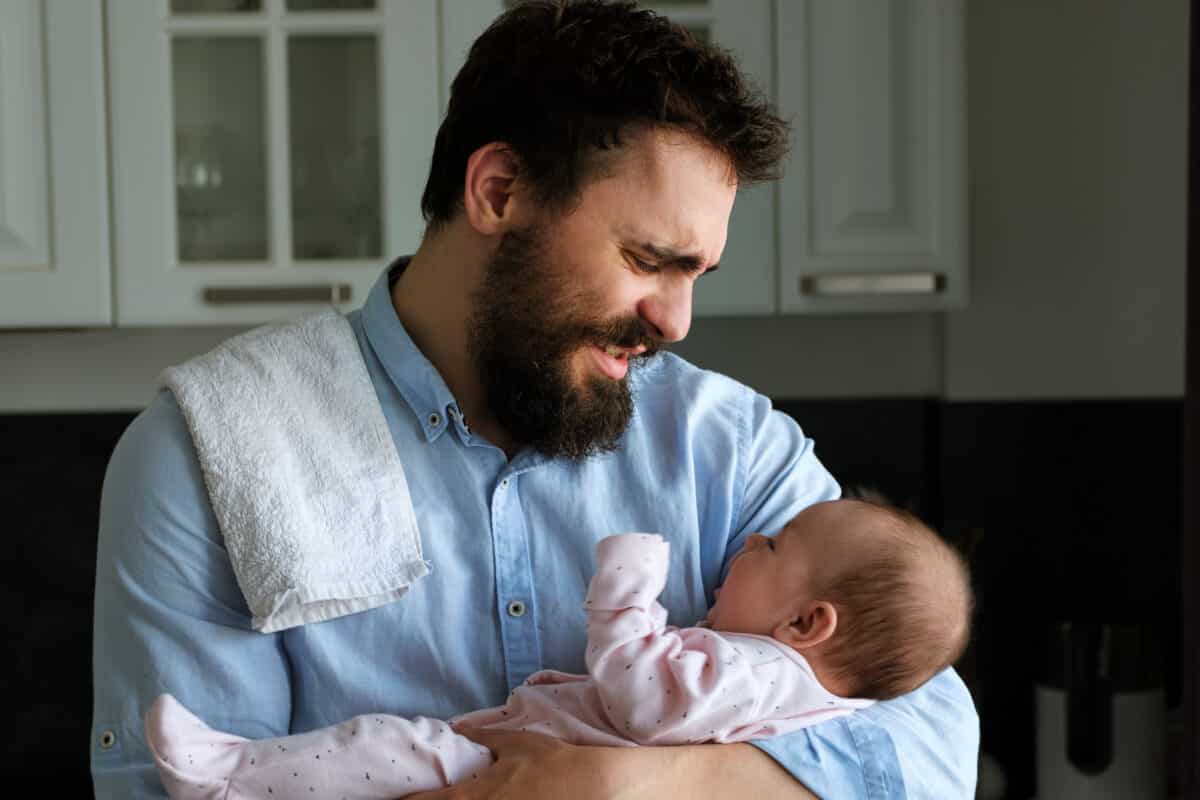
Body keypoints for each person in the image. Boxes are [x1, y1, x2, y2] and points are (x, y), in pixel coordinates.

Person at [92, 1, 980, 798]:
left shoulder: (734, 448)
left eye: (697, 274)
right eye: (647, 260)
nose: (675, 321)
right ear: (498, 192)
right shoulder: (208, 456)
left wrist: (636, 787)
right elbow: (186, 786)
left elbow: (926, 742)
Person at [143, 500, 973, 799]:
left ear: (807, 624)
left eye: (771, 546)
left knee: (388, 747)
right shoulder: (802, 686)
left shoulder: (759, 671)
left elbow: (642, 697)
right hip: (528, 750)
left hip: (514, 765)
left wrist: (626, 597)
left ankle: (227, 778)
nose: (746, 540)